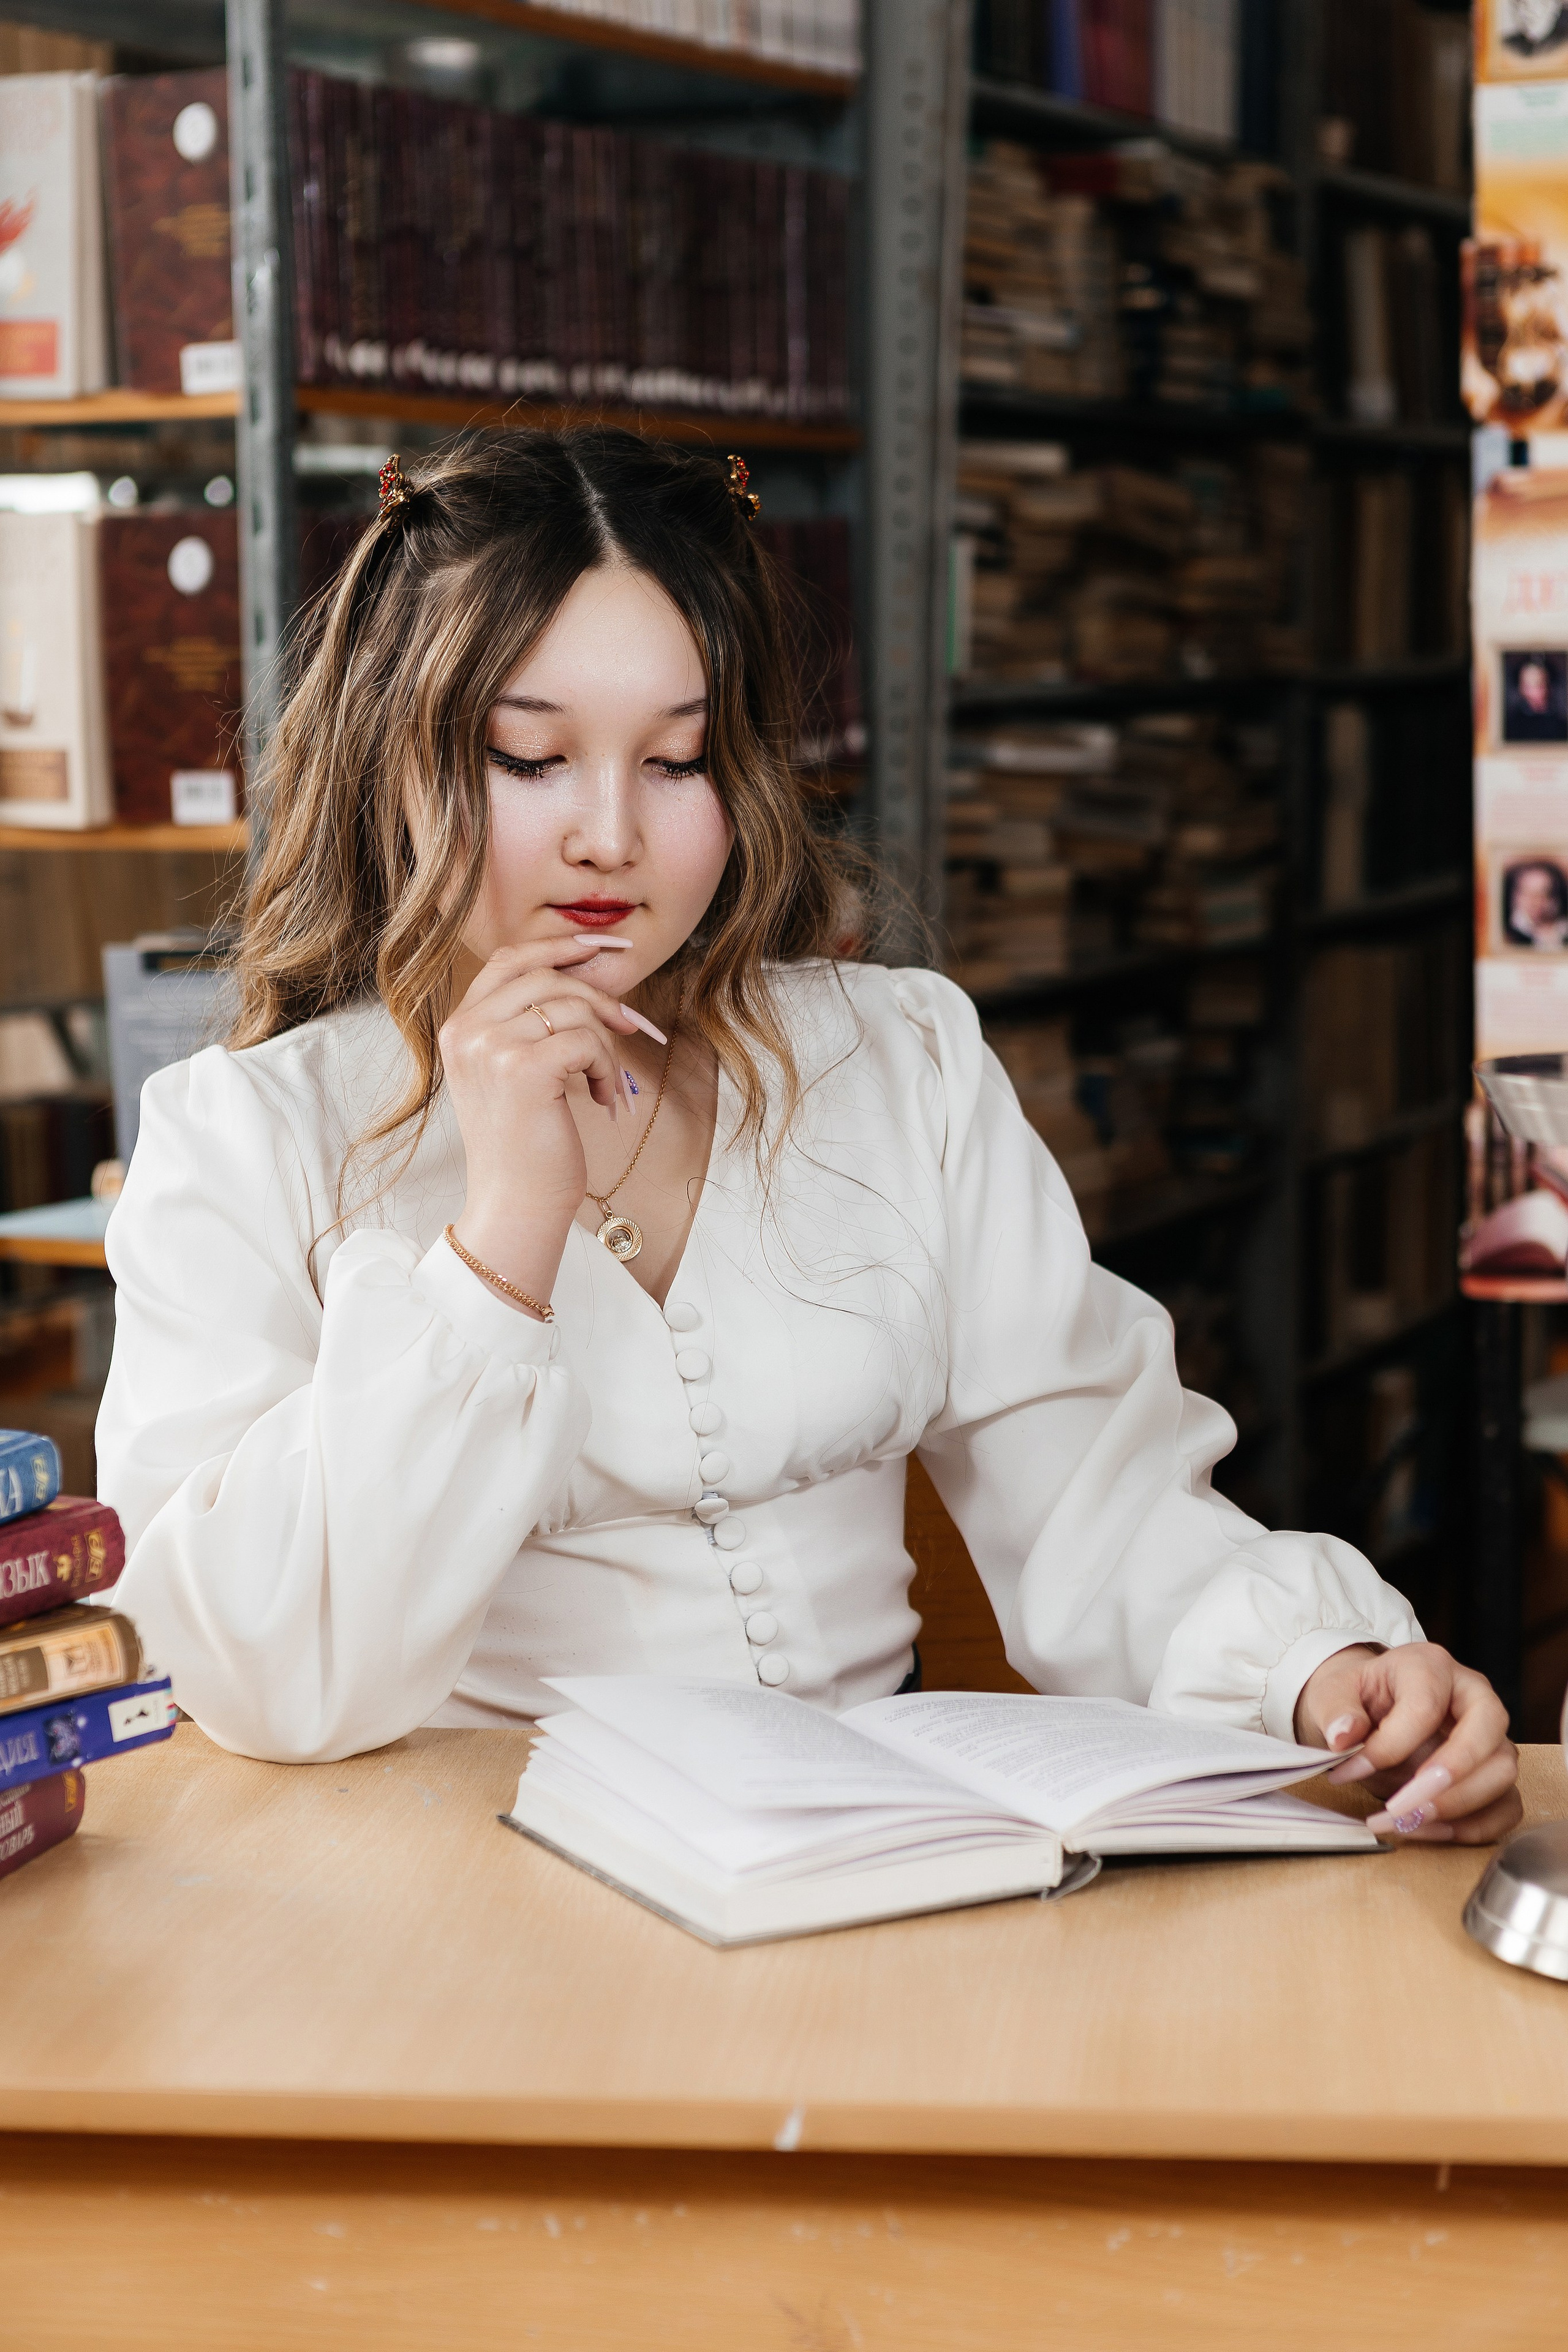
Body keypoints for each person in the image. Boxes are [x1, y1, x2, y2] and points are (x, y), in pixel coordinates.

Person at [97, 430, 1519, 1849]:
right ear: (393, 762)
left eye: (676, 759)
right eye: (528, 758)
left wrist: (1319, 1675)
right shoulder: (245, 1138)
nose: (611, 836)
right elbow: (245, 1673)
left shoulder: (894, 1058)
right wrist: (500, 1243)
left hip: (892, 1874)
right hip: (473, 1915)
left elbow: (1101, 1495)